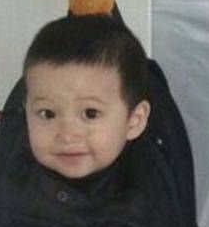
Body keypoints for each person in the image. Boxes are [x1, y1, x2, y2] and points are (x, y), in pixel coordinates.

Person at [21, 13, 151, 181]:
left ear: (134, 121)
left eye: (91, 113)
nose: (67, 136)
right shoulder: (11, 181)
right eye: (47, 114)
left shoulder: (151, 189)